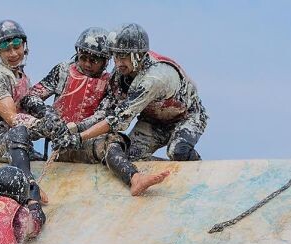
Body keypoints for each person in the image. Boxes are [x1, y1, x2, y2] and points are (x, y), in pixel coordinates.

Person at [21, 27, 169, 196]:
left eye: (94, 60)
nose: (87, 64)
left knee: (114, 140)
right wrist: (50, 117)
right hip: (58, 145)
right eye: (83, 57)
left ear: (106, 61)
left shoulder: (110, 82)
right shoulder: (62, 71)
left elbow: (103, 115)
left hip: (84, 143)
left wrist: (75, 130)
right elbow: (31, 96)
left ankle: (134, 178)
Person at [74, 23, 208, 162]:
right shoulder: (119, 75)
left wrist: (80, 137)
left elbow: (118, 119)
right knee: (129, 157)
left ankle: (198, 167)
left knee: (178, 152)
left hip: (186, 117)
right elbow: (106, 112)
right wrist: (76, 128)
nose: (119, 63)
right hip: (153, 121)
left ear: (138, 55)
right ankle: (165, 174)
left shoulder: (154, 77)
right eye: (115, 56)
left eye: (123, 56)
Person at [0, 19, 63, 202]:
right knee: (19, 131)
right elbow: (12, 118)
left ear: (24, 45)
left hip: (17, 142)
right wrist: (43, 127)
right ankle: (29, 187)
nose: (13, 53)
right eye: (6, 49)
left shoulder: (22, 77)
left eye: (16, 46)